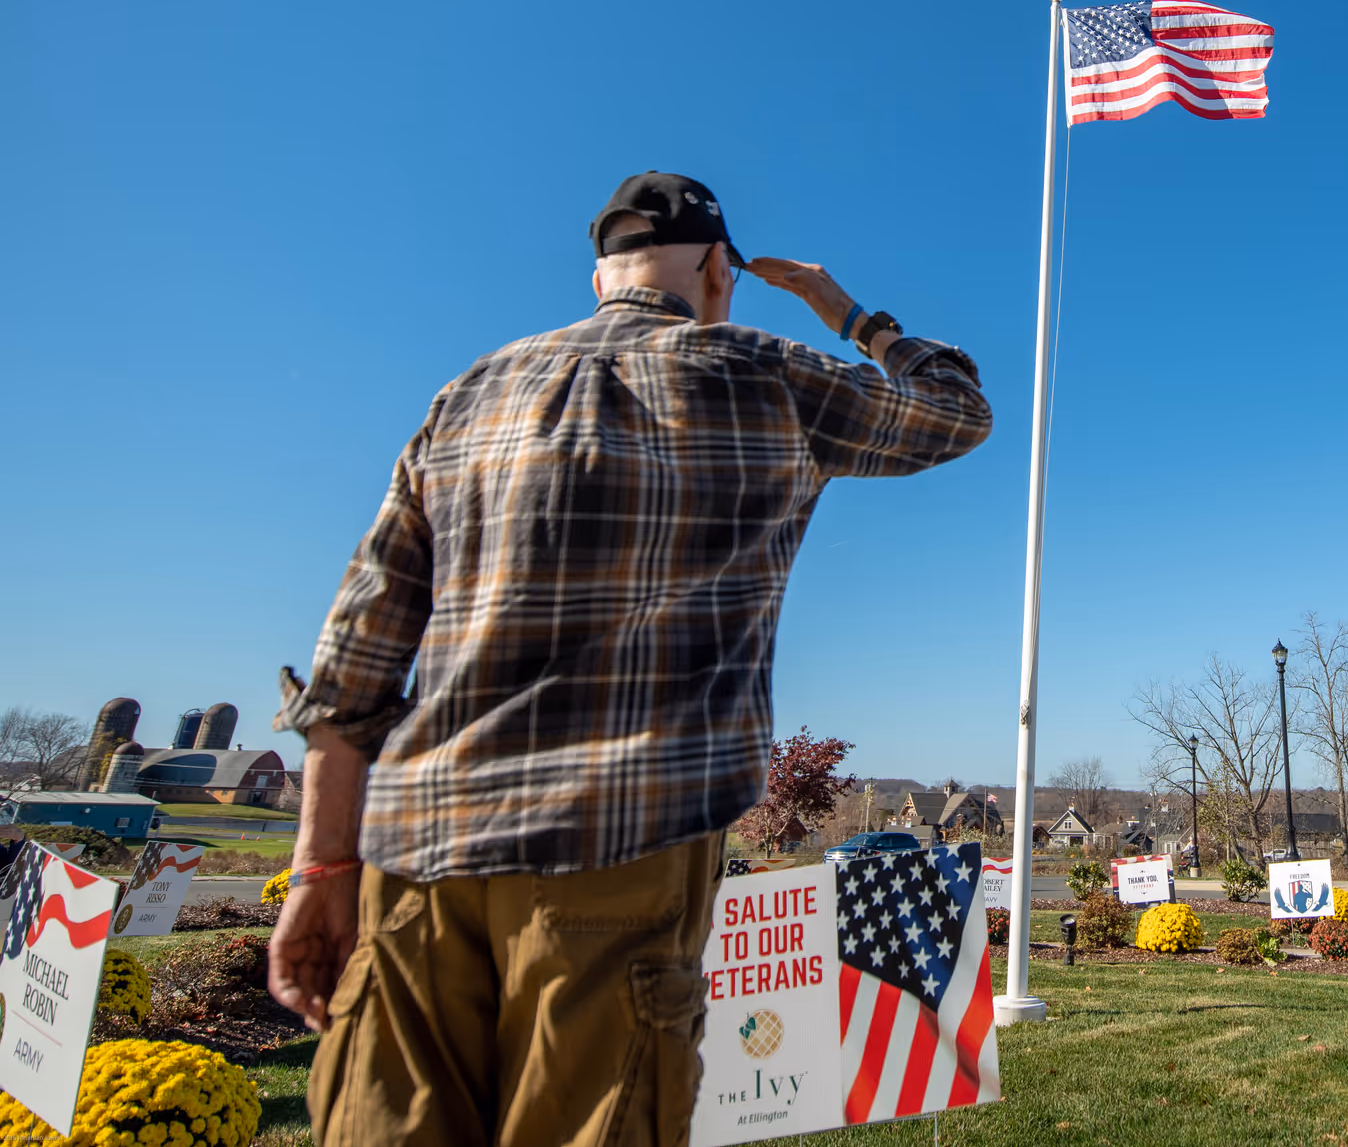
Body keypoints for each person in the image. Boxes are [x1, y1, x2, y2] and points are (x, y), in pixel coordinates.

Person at [268, 172, 992, 1147]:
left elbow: (356, 655)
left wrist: (320, 866)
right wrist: (848, 312)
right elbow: (953, 411)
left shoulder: (471, 392)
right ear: (718, 271)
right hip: (622, 849)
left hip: (415, 863)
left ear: (602, 273)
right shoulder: (760, 371)